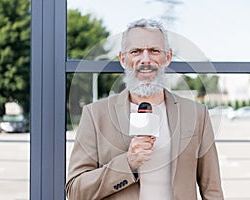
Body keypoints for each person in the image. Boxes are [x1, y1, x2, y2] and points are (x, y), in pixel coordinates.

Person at [65, 18, 224, 200]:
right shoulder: (95, 115)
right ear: (123, 59)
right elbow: (75, 191)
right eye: (136, 51)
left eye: (154, 51)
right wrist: (128, 163)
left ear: (168, 57)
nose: (146, 59)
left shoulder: (196, 114)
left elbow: (212, 190)